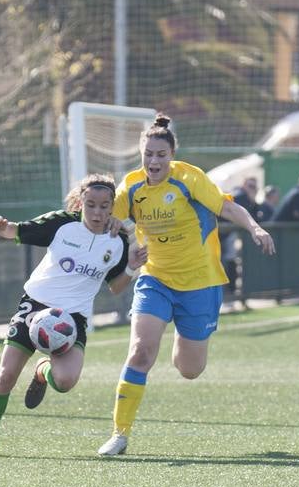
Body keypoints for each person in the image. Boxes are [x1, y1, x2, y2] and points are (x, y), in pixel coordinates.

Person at [98, 115, 275, 458]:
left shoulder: (189, 178)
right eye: (148, 154)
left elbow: (225, 206)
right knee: (140, 352)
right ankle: (119, 434)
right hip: (156, 278)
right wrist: (105, 225)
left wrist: (254, 228)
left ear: (172, 154)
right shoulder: (131, 186)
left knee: (189, 369)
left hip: (200, 282)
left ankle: (184, 336)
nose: (154, 161)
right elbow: (111, 215)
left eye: (161, 154)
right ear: (141, 153)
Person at [0, 174, 146, 458]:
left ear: (113, 207)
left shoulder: (118, 242)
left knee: (66, 381)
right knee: (5, 377)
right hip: (35, 307)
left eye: (104, 206)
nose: (97, 213)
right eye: (91, 205)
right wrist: (2, 226)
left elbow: (115, 288)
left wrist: (131, 269)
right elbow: (17, 231)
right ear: (80, 203)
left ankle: (43, 372)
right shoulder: (61, 224)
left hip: (72, 320)